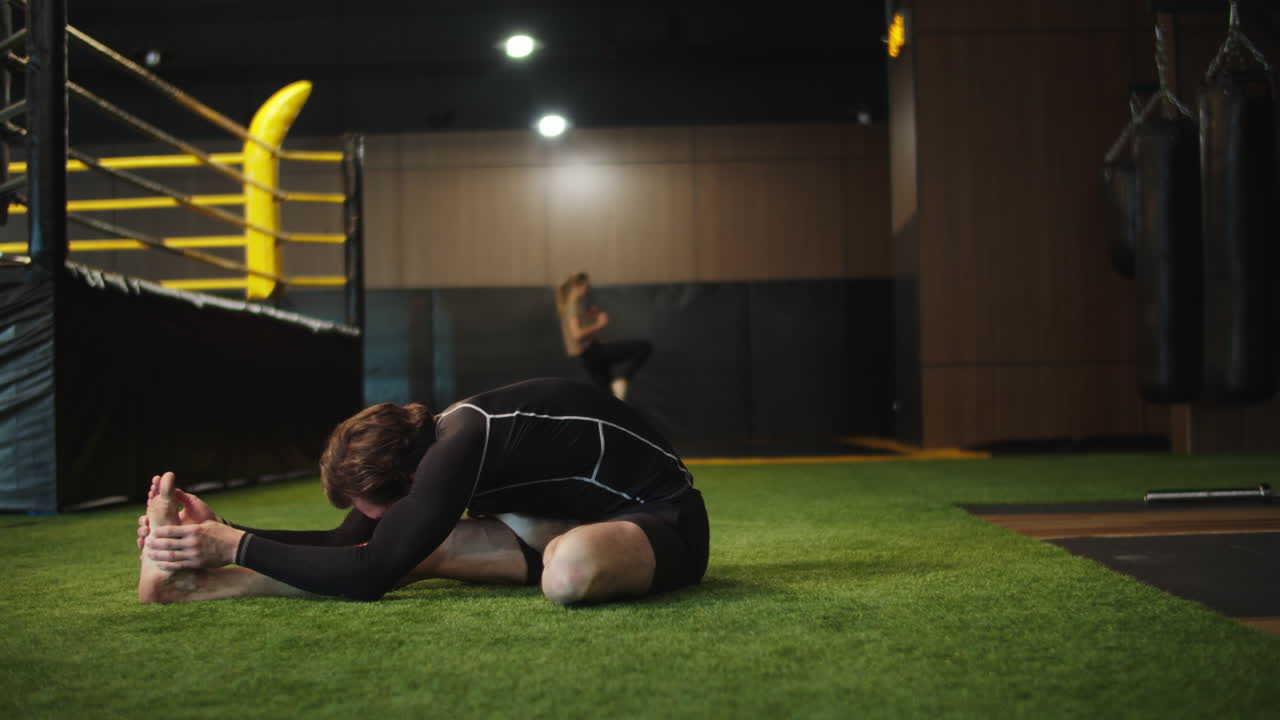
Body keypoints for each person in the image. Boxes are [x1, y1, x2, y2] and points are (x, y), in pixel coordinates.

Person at [137, 377, 709, 606]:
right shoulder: (424, 446)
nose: (370, 519)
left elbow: (369, 573)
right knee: (411, 546)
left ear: (411, 482)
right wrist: (219, 536)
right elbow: (346, 543)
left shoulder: (460, 445)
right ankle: (190, 587)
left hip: (662, 523)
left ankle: (566, 546)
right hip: (550, 521)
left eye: (380, 508)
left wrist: (234, 543)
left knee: (569, 571)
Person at [555, 272, 652, 401]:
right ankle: (622, 380)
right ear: (579, 286)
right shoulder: (574, 304)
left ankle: (616, 390)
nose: (588, 290)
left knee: (606, 397)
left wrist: (593, 320)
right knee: (644, 347)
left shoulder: (575, 305)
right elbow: (577, 334)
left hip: (590, 355)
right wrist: (599, 324)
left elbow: (583, 332)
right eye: (586, 286)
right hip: (592, 352)